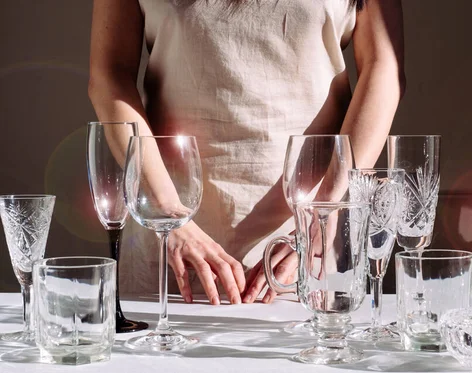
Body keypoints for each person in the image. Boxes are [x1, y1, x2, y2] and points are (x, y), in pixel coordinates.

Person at [88, 0, 405, 306]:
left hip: (306, 236)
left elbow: (384, 68)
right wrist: (167, 213)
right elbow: (110, 73)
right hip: (171, 232)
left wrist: (328, 207)